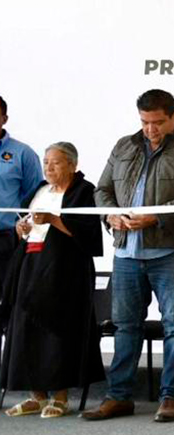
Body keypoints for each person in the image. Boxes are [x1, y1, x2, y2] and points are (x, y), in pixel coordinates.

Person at [84, 89, 174, 423]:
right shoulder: (124, 145)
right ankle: (119, 396)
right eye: (145, 122)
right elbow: (101, 190)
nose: (150, 129)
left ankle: (170, 396)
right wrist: (110, 215)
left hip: (172, 250)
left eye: (158, 122)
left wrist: (156, 216)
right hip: (126, 251)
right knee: (125, 326)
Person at [2, 143, 104, 418]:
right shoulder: (39, 191)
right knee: (25, 329)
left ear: (72, 164)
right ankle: (35, 396)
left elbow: (88, 232)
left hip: (64, 271)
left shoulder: (84, 191)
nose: (49, 167)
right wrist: (21, 228)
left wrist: (55, 220)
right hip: (30, 266)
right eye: (46, 162)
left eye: (56, 163)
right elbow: (26, 222)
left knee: (57, 332)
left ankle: (59, 396)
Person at [0, 96, 42, 304]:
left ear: (4, 119)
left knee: (8, 302)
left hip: (6, 238)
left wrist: (20, 231)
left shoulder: (22, 154)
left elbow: (35, 195)